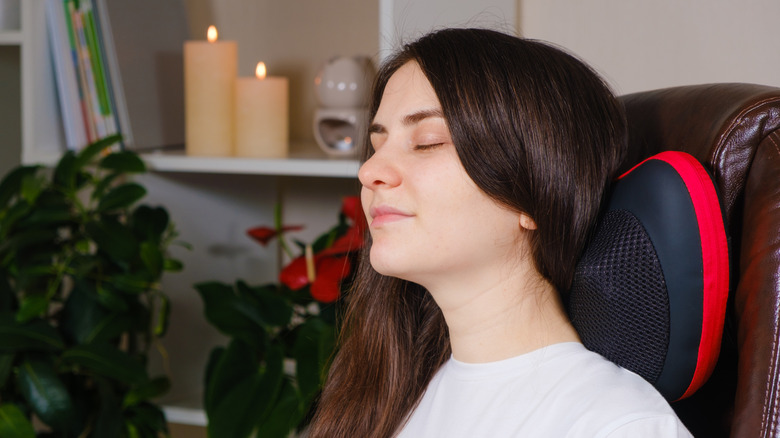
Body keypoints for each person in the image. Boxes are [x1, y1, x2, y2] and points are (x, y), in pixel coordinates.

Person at [308, 28, 692, 437]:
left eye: (427, 142)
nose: (368, 172)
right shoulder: (394, 395)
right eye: (377, 144)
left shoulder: (615, 424)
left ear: (533, 194)